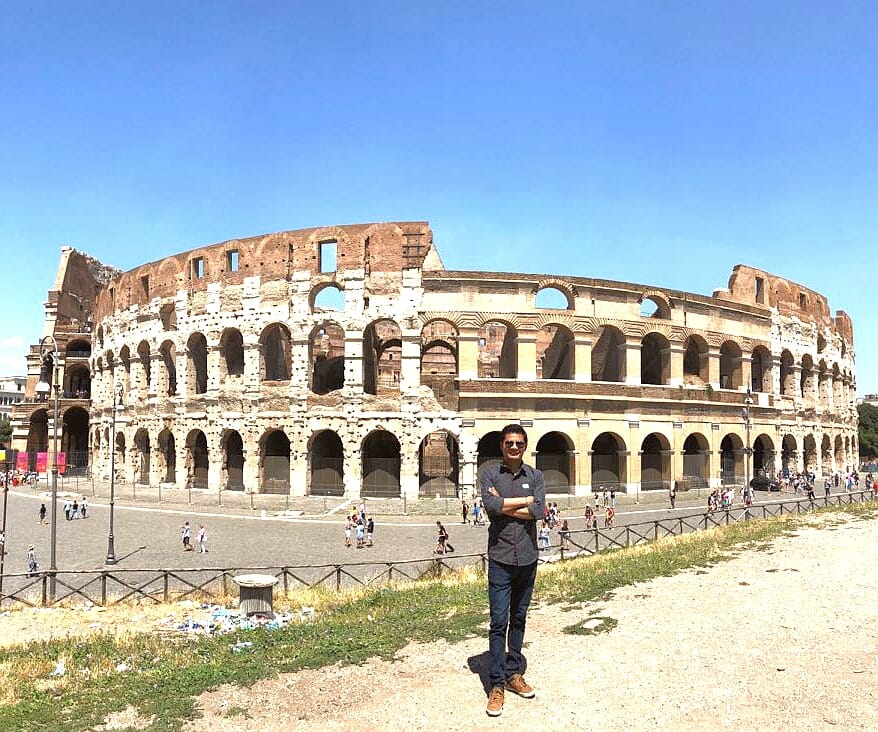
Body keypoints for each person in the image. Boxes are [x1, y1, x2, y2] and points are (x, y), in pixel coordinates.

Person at [481, 424, 544, 717]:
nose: (514, 447)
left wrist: (505, 505)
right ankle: (496, 684)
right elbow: (490, 505)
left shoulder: (535, 476)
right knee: (498, 621)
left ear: (525, 445)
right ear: (502, 446)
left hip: (528, 557)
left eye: (519, 443)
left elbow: (539, 511)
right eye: (509, 443)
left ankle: (514, 673)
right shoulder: (490, 474)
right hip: (501, 558)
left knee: (519, 618)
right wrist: (525, 502)